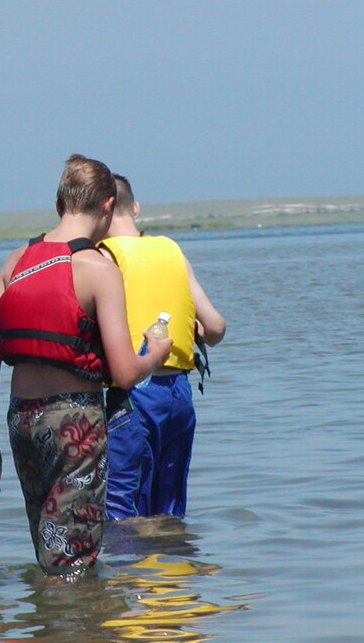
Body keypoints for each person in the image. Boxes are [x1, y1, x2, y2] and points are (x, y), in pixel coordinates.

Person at [0, 154, 173, 577]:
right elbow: (123, 372)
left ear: (58, 202)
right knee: (73, 560)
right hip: (73, 423)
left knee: (48, 548)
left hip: (21, 420)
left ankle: (46, 624)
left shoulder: (16, 261)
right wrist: (154, 354)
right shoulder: (98, 269)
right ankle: (75, 624)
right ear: (106, 207)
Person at [100, 174, 226, 519]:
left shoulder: (103, 256)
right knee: (169, 504)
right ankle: (173, 568)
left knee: (122, 505)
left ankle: (128, 573)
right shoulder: (170, 249)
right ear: (135, 208)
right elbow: (215, 327)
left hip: (133, 396)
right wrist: (194, 330)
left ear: (100, 210)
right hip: (178, 394)